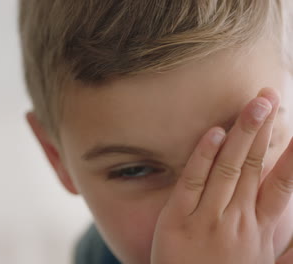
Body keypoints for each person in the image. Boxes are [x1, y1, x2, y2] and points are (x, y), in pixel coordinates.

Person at [18, 1, 293, 263]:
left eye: (242, 150)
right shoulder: (96, 256)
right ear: (56, 157)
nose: (199, 222)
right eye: (135, 170)